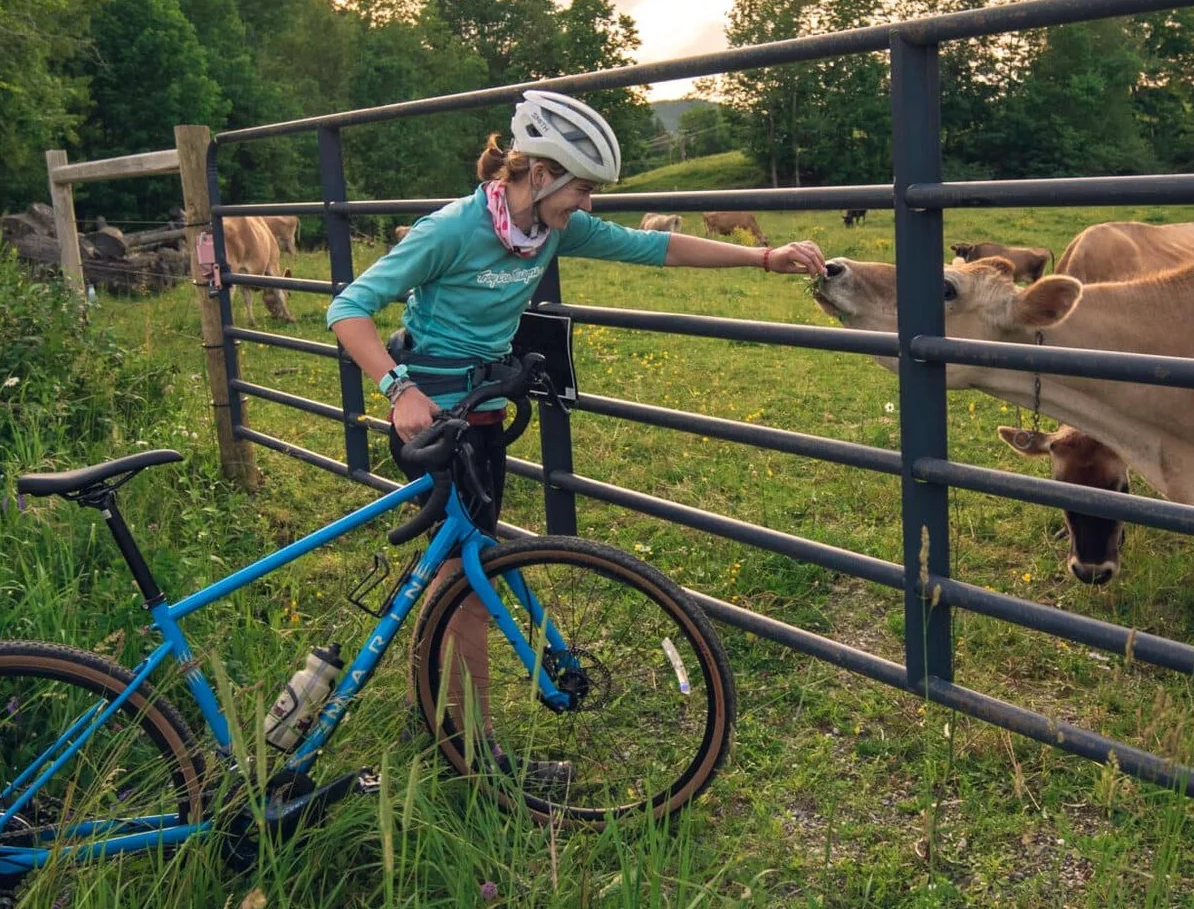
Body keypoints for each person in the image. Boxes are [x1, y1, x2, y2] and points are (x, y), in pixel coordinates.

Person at [325, 89, 824, 739]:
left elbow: (659, 251)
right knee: (467, 589)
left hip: (482, 414)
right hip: (435, 422)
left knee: (455, 576)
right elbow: (348, 308)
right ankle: (470, 753)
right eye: (582, 188)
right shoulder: (452, 230)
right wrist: (398, 390)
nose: (588, 204)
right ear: (539, 174)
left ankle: (440, 720)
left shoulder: (547, 228)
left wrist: (763, 256)